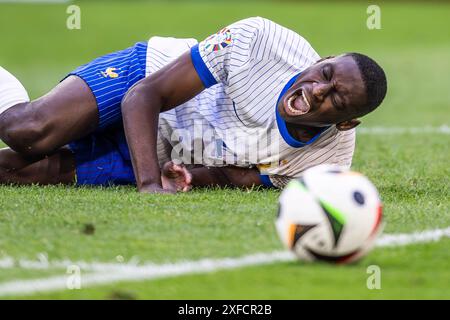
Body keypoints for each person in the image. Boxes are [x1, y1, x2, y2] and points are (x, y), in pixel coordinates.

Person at [0, 17, 387, 193]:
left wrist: (185, 175)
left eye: (336, 97)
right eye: (325, 73)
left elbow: (234, 177)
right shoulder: (261, 41)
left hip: (159, 149)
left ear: (347, 123)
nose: (319, 89)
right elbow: (144, 96)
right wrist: (149, 184)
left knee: (17, 172)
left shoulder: (326, 165)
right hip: (145, 79)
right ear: (322, 60)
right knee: (28, 132)